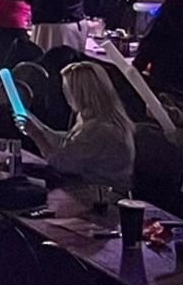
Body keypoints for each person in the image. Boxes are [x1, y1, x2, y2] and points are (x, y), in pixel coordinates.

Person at [19, 60, 135, 192]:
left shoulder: (102, 129)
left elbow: (60, 163)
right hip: (87, 186)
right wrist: (38, 126)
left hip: (103, 196)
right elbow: (69, 141)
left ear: (80, 93)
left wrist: (36, 135)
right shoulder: (93, 117)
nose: (64, 94)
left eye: (66, 89)